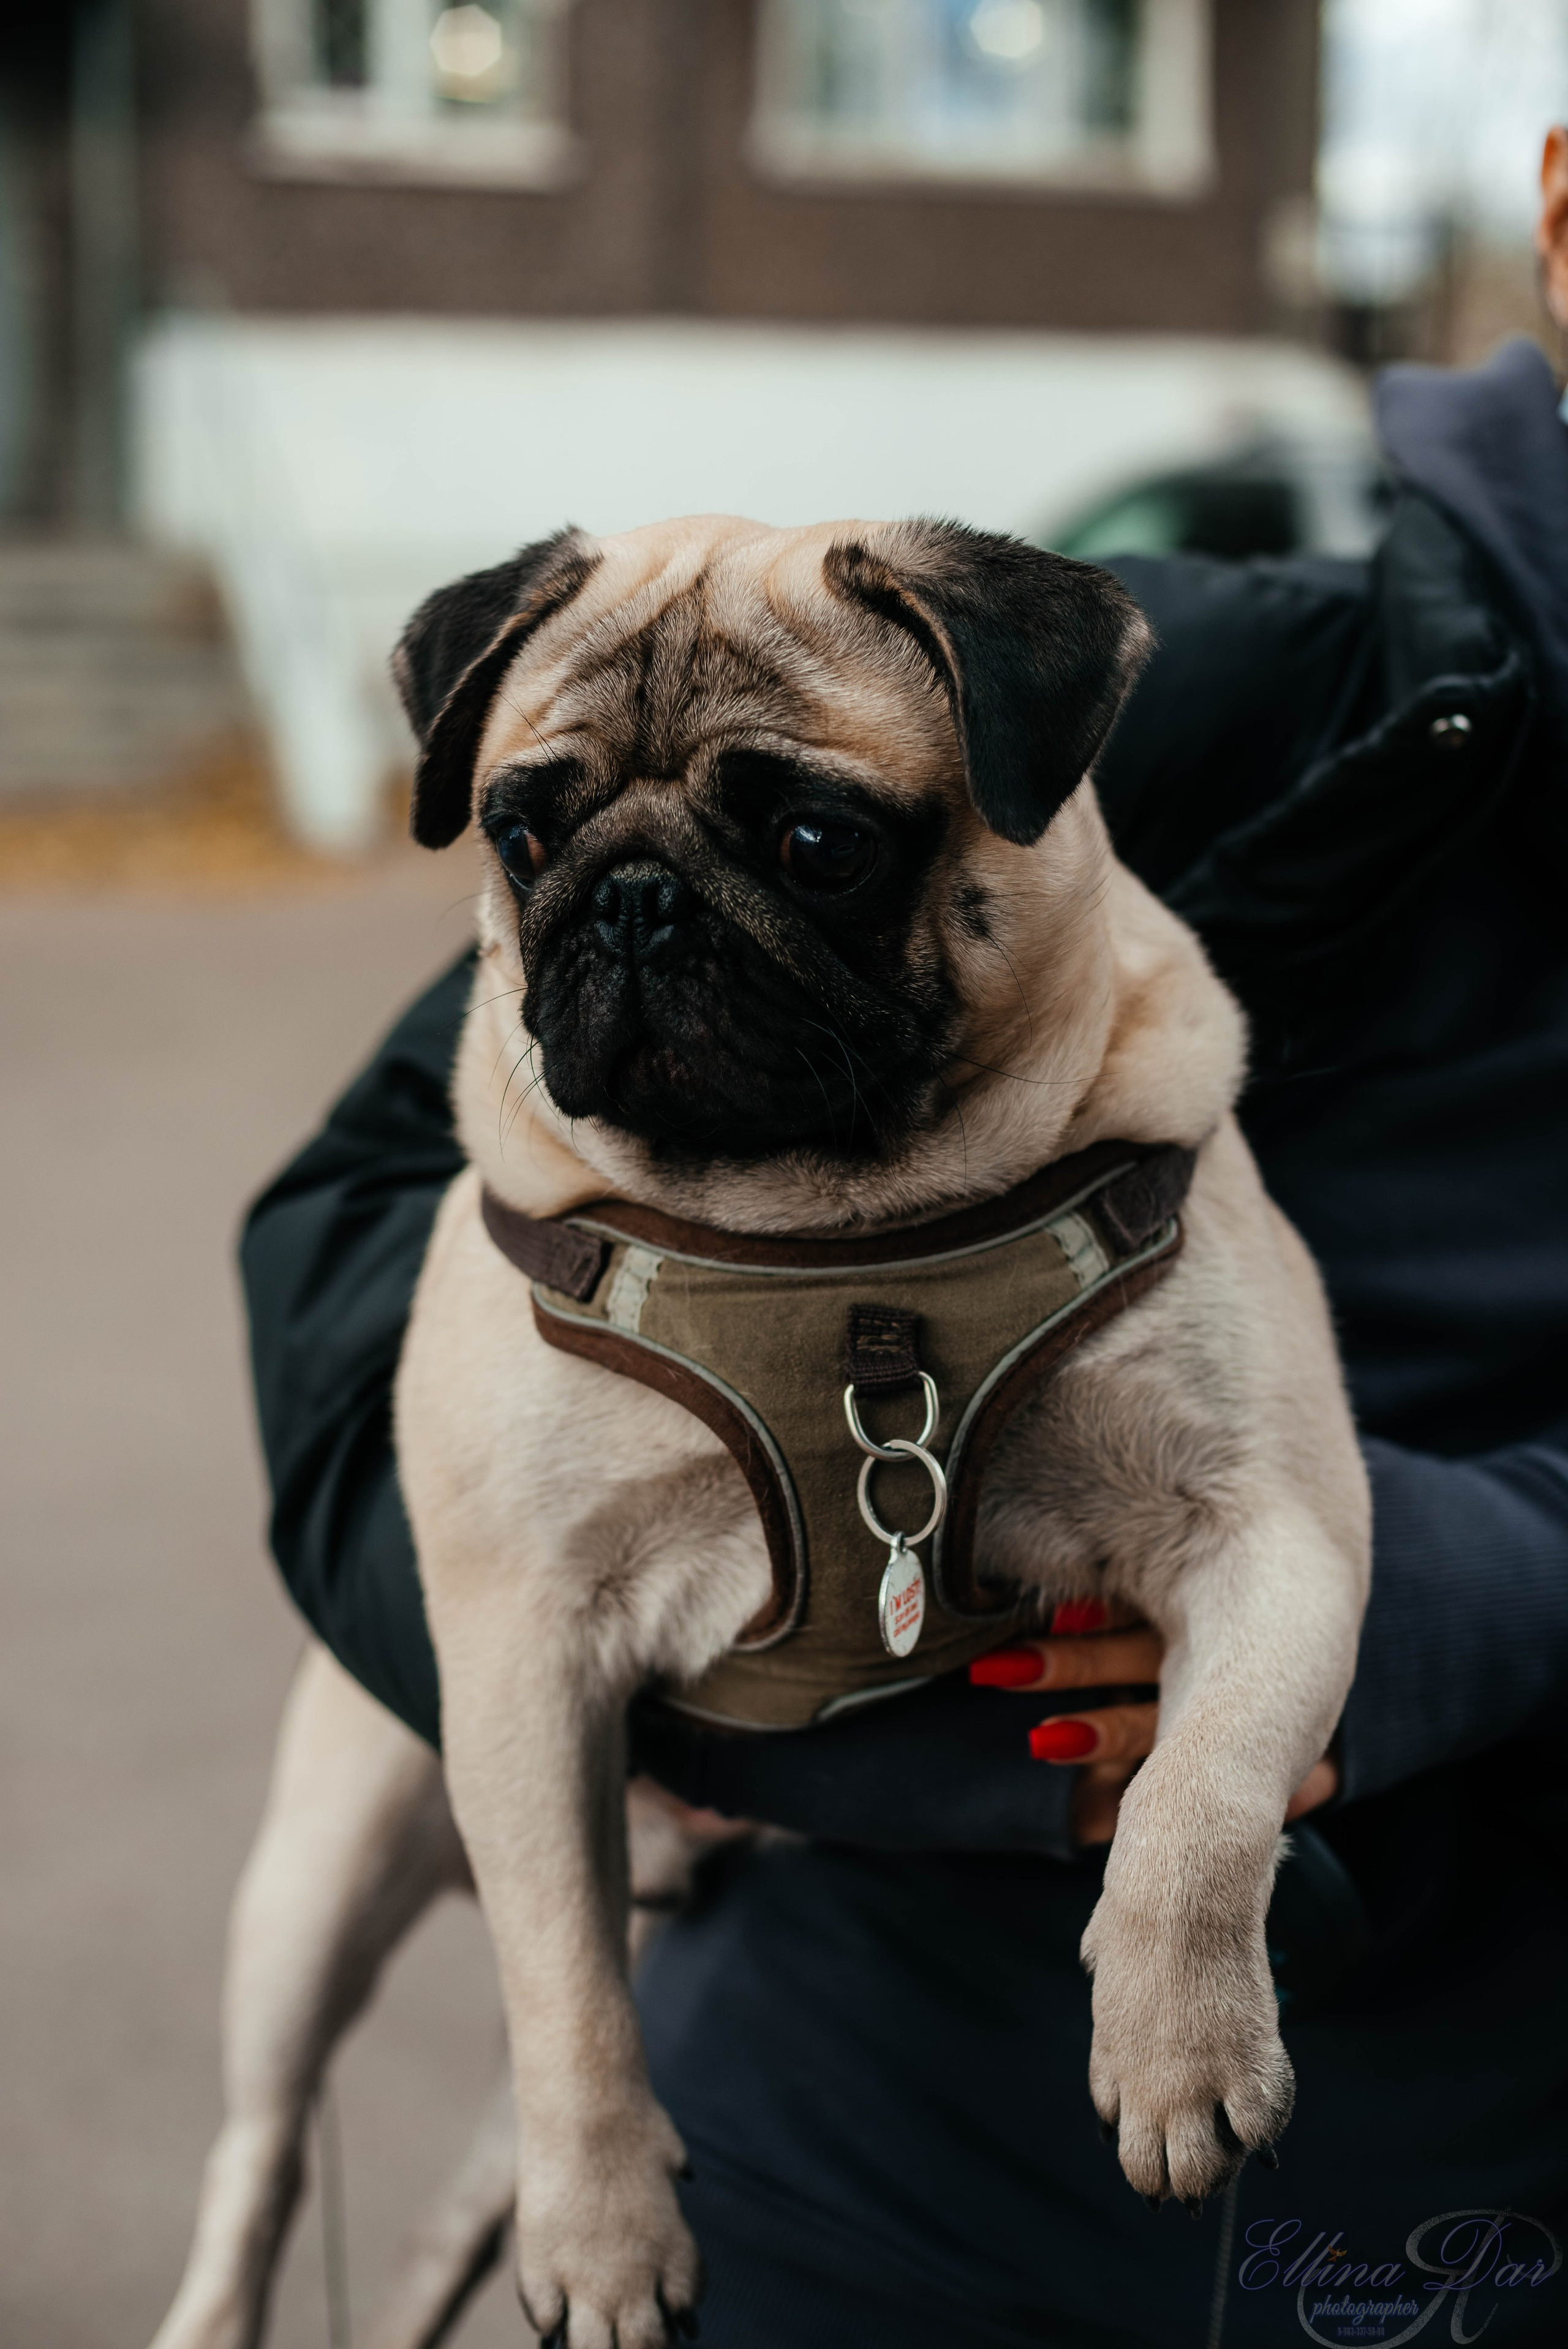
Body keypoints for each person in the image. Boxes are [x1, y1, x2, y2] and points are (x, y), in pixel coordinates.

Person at [240, 134, 1568, 2348]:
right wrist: (709, 1653)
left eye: (811, 844)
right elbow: (349, 1234)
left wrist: (1428, 1595)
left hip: (1483, 2157)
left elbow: (1323, 1537)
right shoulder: (1248, 685)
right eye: (561, 836)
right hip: (852, 2105)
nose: (637, 902)